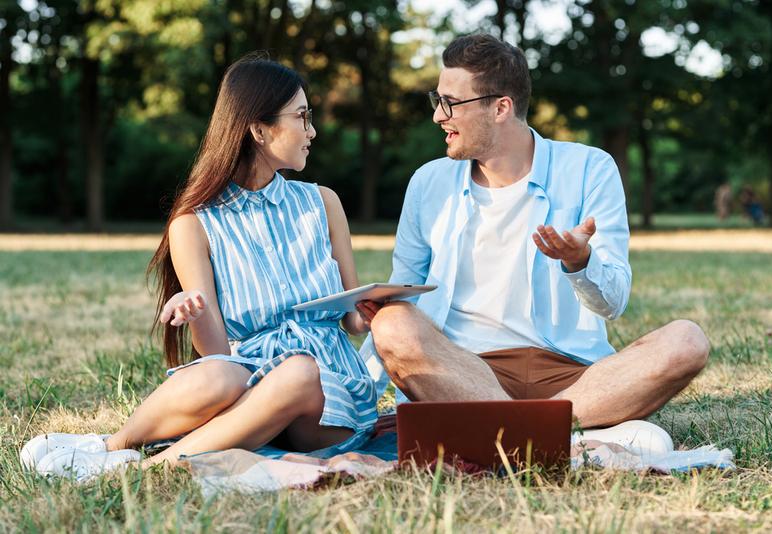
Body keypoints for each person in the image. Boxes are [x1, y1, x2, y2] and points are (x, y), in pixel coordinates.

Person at [21, 53, 377, 480]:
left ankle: (148, 468)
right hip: (247, 380)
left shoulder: (323, 203)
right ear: (259, 130)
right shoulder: (193, 224)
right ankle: (111, 447)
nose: (312, 130)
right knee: (216, 378)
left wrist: (377, 307)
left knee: (298, 371)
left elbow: (355, 319)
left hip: (328, 392)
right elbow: (217, 354)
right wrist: (195, 311)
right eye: (302, 116)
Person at [357, 34, 710, 431]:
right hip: (465, 372)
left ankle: (512, 428)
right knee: (393, 323)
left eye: (450, 103)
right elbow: (402, 290)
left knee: (687, 340)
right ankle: (548, 433)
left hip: (575, 378)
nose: (439, 116)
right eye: (437, 100)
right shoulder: (428, 183)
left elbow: (613, 301)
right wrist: (371, 328)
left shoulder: (589, 168)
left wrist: (581, 263)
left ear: (501, 107)